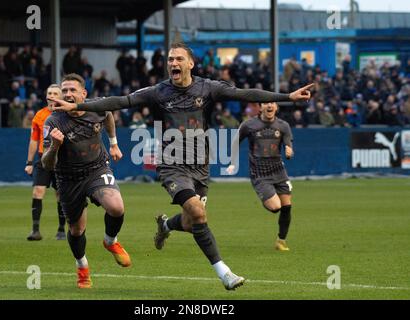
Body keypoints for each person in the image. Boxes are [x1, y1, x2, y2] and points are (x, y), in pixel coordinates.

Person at [50, 43, 313, 290]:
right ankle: (225, 273)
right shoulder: (159, 92)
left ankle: (166, 225)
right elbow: (120, 101)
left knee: (191, 221)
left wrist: (288, 96)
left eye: (178, 59)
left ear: (191, 64)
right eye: (170, 60)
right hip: (172, 165)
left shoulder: (207, 88)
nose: (173, 63)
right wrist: (79, 105)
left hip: (200, 166)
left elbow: (245, 94)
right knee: (198, 213)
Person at [42, 73, 129, 289]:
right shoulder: (53, 121)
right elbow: (46, 164)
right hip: (68, 178)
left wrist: (114, 143)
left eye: (72, 90)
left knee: (116, 207)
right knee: (76, 230)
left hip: (96, 169)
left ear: (84, 93)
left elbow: (108, 115)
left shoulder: (96, 107)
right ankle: (82, 267)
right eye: (65, 91)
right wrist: (54, 146)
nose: (68, 94)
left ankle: (110, 241)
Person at [227, 102, 294, 251]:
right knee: (276, 207)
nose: (269, 106)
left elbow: (288, 145)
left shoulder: (283, 126)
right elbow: (235, 142)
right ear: (260, 107)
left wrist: (289, 151)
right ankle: (266, 195)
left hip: (279, 171)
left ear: (276, 107)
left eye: (272, 103)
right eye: (266, 103)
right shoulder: (249, 125)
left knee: (287, 207)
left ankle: (281, 241)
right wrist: (232, 162)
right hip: (260, 173)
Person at [25, 84, 66, 241]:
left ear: (61, 96)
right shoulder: (39, 115)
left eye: (55, 93)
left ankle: (61, 229)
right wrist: (29, 162)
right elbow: (34, 140)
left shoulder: (66, 114)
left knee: (60, 194)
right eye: (49, 93)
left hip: (61, 159)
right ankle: (35, 230)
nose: (52, 96)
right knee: (37, 192)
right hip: (43, 158)